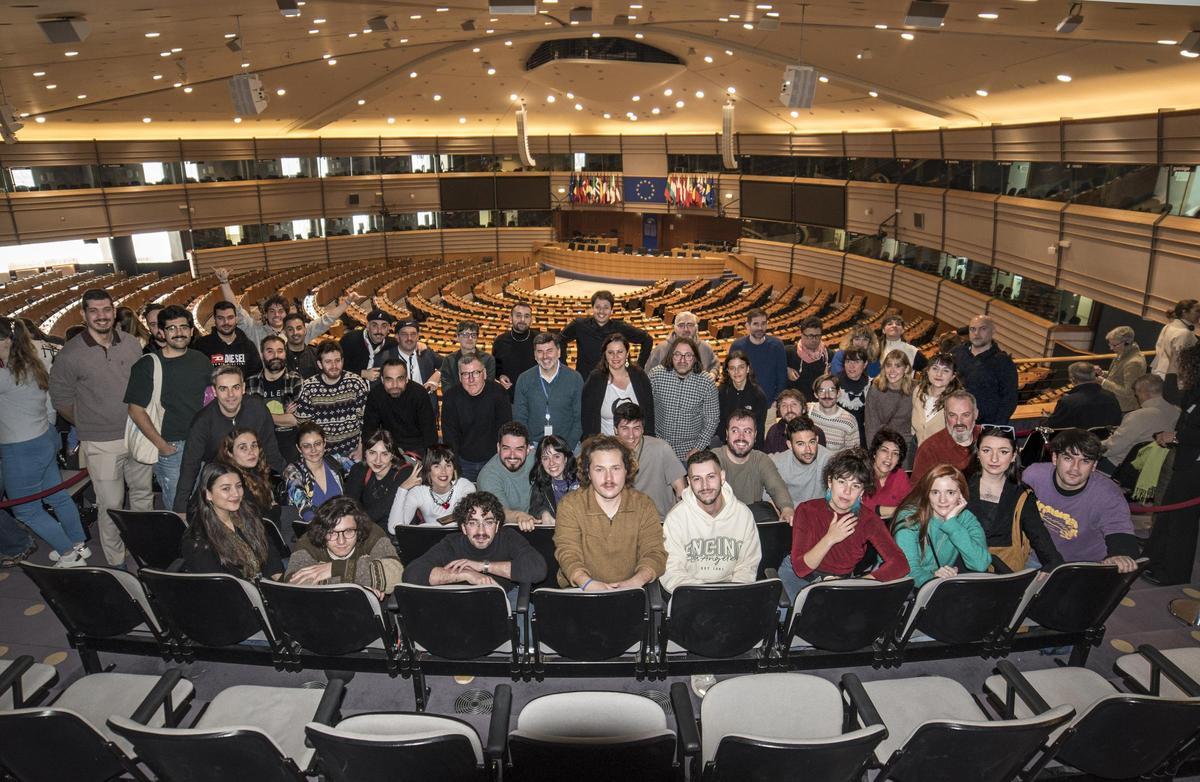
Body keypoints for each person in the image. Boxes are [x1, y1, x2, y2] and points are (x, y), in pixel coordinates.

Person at [50, 288, 152, 567]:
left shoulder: (131, 343)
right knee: (111, 505)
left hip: (137, 433)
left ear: (114, 312)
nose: (101, 316)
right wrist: (89, 421)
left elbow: (144, 383)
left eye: (106, 310)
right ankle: (117, 561)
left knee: (143, 496)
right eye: (93, 311)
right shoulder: (70, 354)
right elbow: (60, 400)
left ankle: (146, 550)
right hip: (100, 441)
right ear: (83, 315)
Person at [0, 317, 89, 567]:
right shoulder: (31, 366)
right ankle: (77, 544)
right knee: (57, 496)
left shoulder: (5, 376)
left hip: (20, 448)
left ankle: (68, 555)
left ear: (5, 341)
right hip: (42, 438)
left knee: (26, 510)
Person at [778, 448, 909, 601]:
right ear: (829, 482)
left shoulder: (868, 519)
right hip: (800, 581)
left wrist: (861, 582)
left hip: (842, 583)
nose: (847, 491)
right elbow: (801, 569)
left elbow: (900, 564)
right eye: (841, 482)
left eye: (855, 485)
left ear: (862, 491)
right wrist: (830, 538)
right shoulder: (807, 510)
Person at [124, 304, 212, 511]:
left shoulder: (201, 360)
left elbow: (209, 400)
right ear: (161, 333)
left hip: (201, 444)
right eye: (172, 328)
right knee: (178, 507)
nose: (179, 333)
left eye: (183, 327)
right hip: (173, 447)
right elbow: (135, 410)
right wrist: (162, 446)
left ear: (192, 331)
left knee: (204, 501)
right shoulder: (148, 364)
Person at [553, 435, 667, 590]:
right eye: (599, 469)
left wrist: (636, 581)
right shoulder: (570, 505)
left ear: (627, 470)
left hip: (632, 590)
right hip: (581, 590)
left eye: (615, 468)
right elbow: (568, 553)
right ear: (588, 472)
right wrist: (587, 583)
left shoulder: (644, 505)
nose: (609, 478)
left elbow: (654, 553)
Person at [1022, 429, 1138, 572]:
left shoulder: (1108, 494)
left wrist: (1120, 554)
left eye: (1085, 461)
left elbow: (1119, 530)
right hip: (1037, 557)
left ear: (1094, 465)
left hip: (1083, 566)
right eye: (1068, 458)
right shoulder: (1034, 475)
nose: (1075, 468)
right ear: (1054, 458)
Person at [172, 364, 284, 512]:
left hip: (253, 479)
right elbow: (189, 466)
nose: (230, 395)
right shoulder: (202, 421)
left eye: (235, 387)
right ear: (214, 391)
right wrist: (180, 509)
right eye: (223, 389)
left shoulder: (258, 410)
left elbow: (271, 452)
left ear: (243, 388)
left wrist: (285, 481)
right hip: (219, 480)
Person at [403, 491, 547, 594]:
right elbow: (411, 574)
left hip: (505, 599)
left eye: (488, 522)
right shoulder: (451, 544)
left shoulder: (508, 537)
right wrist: (467, 575)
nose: (481, 531)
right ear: (464, 528)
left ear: (497, 526)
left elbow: (538, 569)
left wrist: (482, 566)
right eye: (473, 523)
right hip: (459, 604)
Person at [661, 449, 762, 593]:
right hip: (691, 594)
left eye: (711, 477)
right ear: (689, 482)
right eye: (697, 479)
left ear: (722, 477)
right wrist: (704, 595)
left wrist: (732, 595)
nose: (705, 486)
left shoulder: (742, 514)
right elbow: (671, 571)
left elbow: (747, 566)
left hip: (733, 594)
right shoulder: (676, 519)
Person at [965, 425, 1063, 572]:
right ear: (978, 453)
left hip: (1004, 573)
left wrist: (1051, 569)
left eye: (1003, 452)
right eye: (987, 450)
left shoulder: (1022, 496)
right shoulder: (959, 487)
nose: (994, 458)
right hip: (962, 568)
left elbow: (1042, 542)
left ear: (1013, 456)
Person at [1144, 343, 1200, 584]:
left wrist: (1175, 437)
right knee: (1169, 515)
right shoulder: (1195, 389)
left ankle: (1173, 573)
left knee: (1181, 522)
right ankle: (1154, 561)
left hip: (1194, 466)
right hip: (1186, 459)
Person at [214, 266, 358, 359]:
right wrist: (224, 282)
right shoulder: (255, 330)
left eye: (280, 311)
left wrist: (347, 303)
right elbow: (235, 310)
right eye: (272, 311)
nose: (276, 315)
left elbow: (326, 320)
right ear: (265, 314)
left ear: (286, 314)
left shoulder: (297, 332)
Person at [892, 464, 992, 587]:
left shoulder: (966, 519)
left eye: (950, 492)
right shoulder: (910, 517)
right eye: (935, 492)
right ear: (927, 494)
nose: (942, 500)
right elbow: (907, 571)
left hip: (938, 586)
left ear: (961, 495)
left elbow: (981, 564)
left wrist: (952, 523)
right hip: (904, 587)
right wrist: (934, 578)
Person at [285, 496, 404, 597]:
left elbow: (396, 574)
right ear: (322, 531)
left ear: (358, 529)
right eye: (331, 533)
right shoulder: (308, 540)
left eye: (348, 531)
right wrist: (362, 589)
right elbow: (294, 583)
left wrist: (335, 569)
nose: (341, 541)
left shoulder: (372, 532)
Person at [182, 462, 283, 579]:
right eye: (226, 488)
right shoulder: (198, 541)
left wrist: (279, 581)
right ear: (208, 494)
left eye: (239, 486)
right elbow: (223, 588)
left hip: (265, 584)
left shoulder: (249, 514)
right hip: (237, 593)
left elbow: (269, 552)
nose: (236, 494)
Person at [292, 341, 369, 461]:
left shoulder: (355, 383)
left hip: (353, 451)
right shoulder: (309, 387)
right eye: (328, 362)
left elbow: (367, 420)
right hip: (322, 453)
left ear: (342, 361)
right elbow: (304, 426)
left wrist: (361, 447)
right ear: (320, 364)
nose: (334, 366)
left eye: (337, 361)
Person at [714, 410, 794, 523]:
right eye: (735, 431)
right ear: (727, 434)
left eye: (747, 431)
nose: (741, 437)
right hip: (719, 519)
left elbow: (777, 487)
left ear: (755, 435)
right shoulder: (713, 459)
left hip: (751, 520)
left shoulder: (761, 459)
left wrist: (787, 508)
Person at [442, 354, 513, 481]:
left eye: (475, 373)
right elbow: (450, 437)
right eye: (465, 374)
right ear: (459, 377)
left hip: (493, 461)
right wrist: (456, 466)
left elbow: (505, 430)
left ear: (484, 374)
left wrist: (501, 462)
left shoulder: (499, 393)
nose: (471, 379)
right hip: (463, 462)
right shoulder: (450, 397)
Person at [648, 336, 720, 461]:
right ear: (671, 356)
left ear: (695, 358)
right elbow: (645, 409)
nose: (682, 360)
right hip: (658, 448)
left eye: (688, 355)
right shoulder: (656, 375)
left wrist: (698, 447)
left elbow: (711, 420)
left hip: (690, 451)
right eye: (678, 354)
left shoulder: (707, 382)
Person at [614, 401, 685, 519]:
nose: (631, 435)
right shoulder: (608, 454)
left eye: (636, 428)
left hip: (659, 520)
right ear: (615, 429)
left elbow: (680, 489)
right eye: (625, 428)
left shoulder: (661, 448)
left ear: (643, 429)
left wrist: (679, 520)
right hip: (624, 522)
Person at [513, 333, 583, 450]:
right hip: (534, 445)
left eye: (549, 350)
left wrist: (567, 448)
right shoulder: (524, 379)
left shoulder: (575, 378)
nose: (545, 356)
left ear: (559, 352)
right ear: (535, 355)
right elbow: (520, 417)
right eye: (540, 352)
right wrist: (528, 444)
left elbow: (579, 418)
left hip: (566, 444)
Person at [1100, 373, 1180, 473]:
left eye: (1136, 394)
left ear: (1143, 393)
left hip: (1123, 468)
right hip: (1154, 467)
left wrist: (1092, 446)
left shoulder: (1137, 416)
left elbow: (1113, 447)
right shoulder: (1177, 412)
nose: (1137, 398)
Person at [560, 289, 653, 374]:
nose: (601, 311)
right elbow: (560, 340)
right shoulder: (579, 325)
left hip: (611, 383)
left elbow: (647, 339)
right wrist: (563, 367)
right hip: (585, 382)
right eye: (598, 307)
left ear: (611, 310)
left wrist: (639, 367)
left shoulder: (620, 328)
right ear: (592, 308)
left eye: (606, 307)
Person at [582, 332, 655, 438]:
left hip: (636, 444)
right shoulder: (595, 379)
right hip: (606, 447)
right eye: (610, 352)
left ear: (627, 353)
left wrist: (649, 441)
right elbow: (587, 417)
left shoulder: (640, 376)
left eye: (620, 352)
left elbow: (649, 414)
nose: (615, 356)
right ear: (605, 355)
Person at [387, 444, 476, 530]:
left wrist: (424, 527)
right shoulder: (418, 492)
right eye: (437, 466)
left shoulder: (465, 487)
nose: (443, 471)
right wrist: (402, 489)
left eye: (448, 465)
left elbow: (470, 522)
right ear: (428, 470)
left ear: (454, 469)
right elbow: (394, 529)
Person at [246, 335, 303, 463]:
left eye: (280, 351)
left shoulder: (295, 380)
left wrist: (260, 414)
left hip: (291, 452)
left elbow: (297, 420)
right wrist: (284, 416)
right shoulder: (250, 383)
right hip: (259, 454)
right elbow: (248, 421)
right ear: (262, 355)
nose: (275, 355)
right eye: (270, 351)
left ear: (285, 353)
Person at [952, 315, 1018, 426]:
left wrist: (995, 427)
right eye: (973, 329)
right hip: (952, 422)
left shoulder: (1003, 362)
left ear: (993, 331)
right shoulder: (957, 353)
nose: (976, 333)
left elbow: (1009, 399)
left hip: (984, 427)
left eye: (983, 329)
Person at [363, 358, 436, 456]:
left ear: (406, 379)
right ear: (382, 380)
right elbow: (369, 430)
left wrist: (429, 461)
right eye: (389, 379)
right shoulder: (376, 395)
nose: (395, 385)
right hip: (388, 447)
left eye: (400, 379)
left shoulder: (419, 394)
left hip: (418, 447)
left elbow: (430, 433)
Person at [283, 422, 348, 524]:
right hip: (313, 528)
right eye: (306, 446)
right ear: (299, 448)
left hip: (342, 525)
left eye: (317, 444)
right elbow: (304, 507)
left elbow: (363, 464)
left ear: (324, 443)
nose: (313, 450)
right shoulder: (293, 471)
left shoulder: (335, 461)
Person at [477, 421, 538, 529]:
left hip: (539, 524)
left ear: (528, 449)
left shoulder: (537, 460)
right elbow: (499, 512)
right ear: (498, 448)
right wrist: (519, 516)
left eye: (519, 449)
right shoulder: (488, 475)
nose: (512, 455)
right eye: (506, 448)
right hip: (505, 530)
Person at [345, 429, 412, 526]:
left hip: (398, 532)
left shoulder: (405, 473)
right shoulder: (358, 470)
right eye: (372, 453)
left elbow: (381, 510)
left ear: (392, 455)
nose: (378, 460)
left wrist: (356, 521)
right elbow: (348, 507)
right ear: (365, 453)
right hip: (367, 529)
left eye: (384, 454)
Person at [911, 390, 980, 483]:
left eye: (965, 415)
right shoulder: (929, 449)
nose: (959, 422)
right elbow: (917, 492)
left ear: (976, 414)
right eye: (952, 415)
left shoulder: (988, 440)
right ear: (945, 415)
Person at [214, 428, 276, 520]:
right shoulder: (232, 481)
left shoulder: (255, 471)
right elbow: (258, 522)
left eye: (254, 446)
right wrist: (275, 509)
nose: (251, 451)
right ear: (230, 453)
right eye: (243, 447)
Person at [771, 415, 832, 506]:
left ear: (817, 440)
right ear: (790, 445)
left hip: (821, 515)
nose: (808, 450)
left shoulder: (830, 461)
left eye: (812, 442)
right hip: (791, 516)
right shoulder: (777, 463)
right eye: (801, 444)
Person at [731, 308, 787, 404]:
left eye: (763, 323)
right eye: (756, 324)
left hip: (769, 404)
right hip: (742, 402)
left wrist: (777, 400)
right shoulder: (737, 346)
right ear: (747, 326)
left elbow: (782, 376)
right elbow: (731, 374)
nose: (760, 328)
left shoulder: (777, 345)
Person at [191, 299, 262, 376]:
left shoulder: (248, 345)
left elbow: (255, 375)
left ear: (236, 319)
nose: (226, 322)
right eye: (220, 318)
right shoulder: (201, 345)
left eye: (230, 317)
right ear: (214, 320)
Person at [1045, 362, 1123, 431]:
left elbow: (1053, 427)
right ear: (1094, 377)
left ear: (1072, 380)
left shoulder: (1068, 402)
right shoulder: (1110, 396)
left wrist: (1047, 418)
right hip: (1103, 441)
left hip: (1076, 442)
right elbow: (1117, 422)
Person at [717, 350, 768, 450]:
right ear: (727, 370)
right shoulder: (721, 392)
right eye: (732, 368)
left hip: (749, 447)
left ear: (748, 369)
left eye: (741, 367)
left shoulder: (758, 395)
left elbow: (759, 429)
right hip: (726, 445)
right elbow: (719, 424)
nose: (737, 372)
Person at [389, 319, 442, 414]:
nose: (409, 338)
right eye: (404, 334)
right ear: (397, 337)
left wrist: (438, 374)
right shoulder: (385, 358)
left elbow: (450, 363)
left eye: (413, 334)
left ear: (418, 336)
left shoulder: (427, 353)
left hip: (426, 412)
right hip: (397, 413)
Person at [645, 311, 719, 378]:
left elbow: (714, 364)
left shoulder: (705, 347)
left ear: (696, 328)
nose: (686, 329)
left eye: (690, 325)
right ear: (674, 328)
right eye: (681, 325)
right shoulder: (660, 349)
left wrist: (713, 374)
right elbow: (648, 374)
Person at [911, 352, 961, 447]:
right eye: (935, 368)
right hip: (915, 448)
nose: (939, 374)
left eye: (945, 371)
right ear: (928, 371)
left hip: (941, 454)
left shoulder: (958, 402)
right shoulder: (918, 391)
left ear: (953, 376)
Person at [865, 349, 914, 445]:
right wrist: (873, 451)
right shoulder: (875, 389)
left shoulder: (915, 390)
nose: (892, 370)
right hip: (882, 442)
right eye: (888, 365)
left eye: (898, 366)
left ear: (907, 369)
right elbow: (871, 427)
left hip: (906, 443)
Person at [528, 435, 580, 526]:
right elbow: (534, 509)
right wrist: (543, 513)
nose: (551, 463)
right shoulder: (541, 484)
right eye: (545, 458)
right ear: (541, 462)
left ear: (566, 458)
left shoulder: (582, 482)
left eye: (556, 456)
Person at [861, 429, 911, 521]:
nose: (889, 457)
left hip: (893, 528)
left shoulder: (900, 476)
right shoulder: (861, 473)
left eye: (895, 453)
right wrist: (896, 511)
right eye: (884, 450)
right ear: (875, 453)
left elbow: (910, 507)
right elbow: (860, 507)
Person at [492, 301, 539, 400]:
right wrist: (500, 376)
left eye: (527, 316)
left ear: (531, 319)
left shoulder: (540, 340)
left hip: (537, 397)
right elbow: (496, 367)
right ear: (510, 318)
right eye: (518, 315)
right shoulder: (500, 341)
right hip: (509, 398)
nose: (522, 320)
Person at [1150, 299, 1199, 391]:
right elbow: (1179, 360)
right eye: (1197, 311)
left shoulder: (1168, 326)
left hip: (1159, 372)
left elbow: (1158, 349)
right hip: (1173, 377)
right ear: (1184, 312)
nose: (1199, 314)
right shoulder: (1184, 333)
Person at [1098, 325, 1147, 413]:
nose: (1111, 348)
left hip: (1123, 408)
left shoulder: (1134, 362)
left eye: (1114, 345)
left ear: (1127, 342)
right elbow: (1117, 376)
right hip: (1113, 401)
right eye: (1110, 344)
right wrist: (1102, 373)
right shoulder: (1123, 352)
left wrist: (1104, 382)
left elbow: (1128, 392)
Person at [339, 308, 398, 380]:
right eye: (374, 325)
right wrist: (362, 373)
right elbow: (336, 368)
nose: (379, 331)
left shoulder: (391, 343)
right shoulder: (349, 340)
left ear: (389, 328)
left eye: (384, 326)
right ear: (367, 326)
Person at [807, 374, 859, 452]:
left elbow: (853, 455)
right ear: (816, 394)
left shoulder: (849, 421)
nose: (827, 395)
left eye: (832, 391)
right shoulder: (807, 411)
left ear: (838, 393)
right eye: (822, 391)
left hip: (836, 464)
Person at [439, 320, 496, 392]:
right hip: (456, 402)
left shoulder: (489, 359)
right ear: (457, 337)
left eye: (473, 335)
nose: (470, 338)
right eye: (465, 334)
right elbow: (447, 390)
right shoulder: (448, 360)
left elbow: (488, 388)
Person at [786, 316, 829, 400]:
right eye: (810, 336)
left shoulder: (827, 355)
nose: (814, 340)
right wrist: (785, 369)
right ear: (802, 335)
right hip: (793, 404)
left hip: (816, 405)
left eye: (817, 336)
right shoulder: (788, 353)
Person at [764, 389, 819, 454]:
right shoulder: (773, 431)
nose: (789, 409)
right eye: (784, 405)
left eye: (794, 404)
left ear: (804, 409)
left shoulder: (815, 433)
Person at [836, 348, 871, 444]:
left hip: (862, 437)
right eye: (848, 361)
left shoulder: (871, 385)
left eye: (856, 361)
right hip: (838, 435)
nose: (851, 366)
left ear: (865, 364)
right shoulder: (834, 383)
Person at [282, 313, 321, 379]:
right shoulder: (278, 357)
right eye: (290, 329)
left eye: (299, 328)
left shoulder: (316, 354)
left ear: (305, 330)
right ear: (285, 333)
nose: (295, 333)